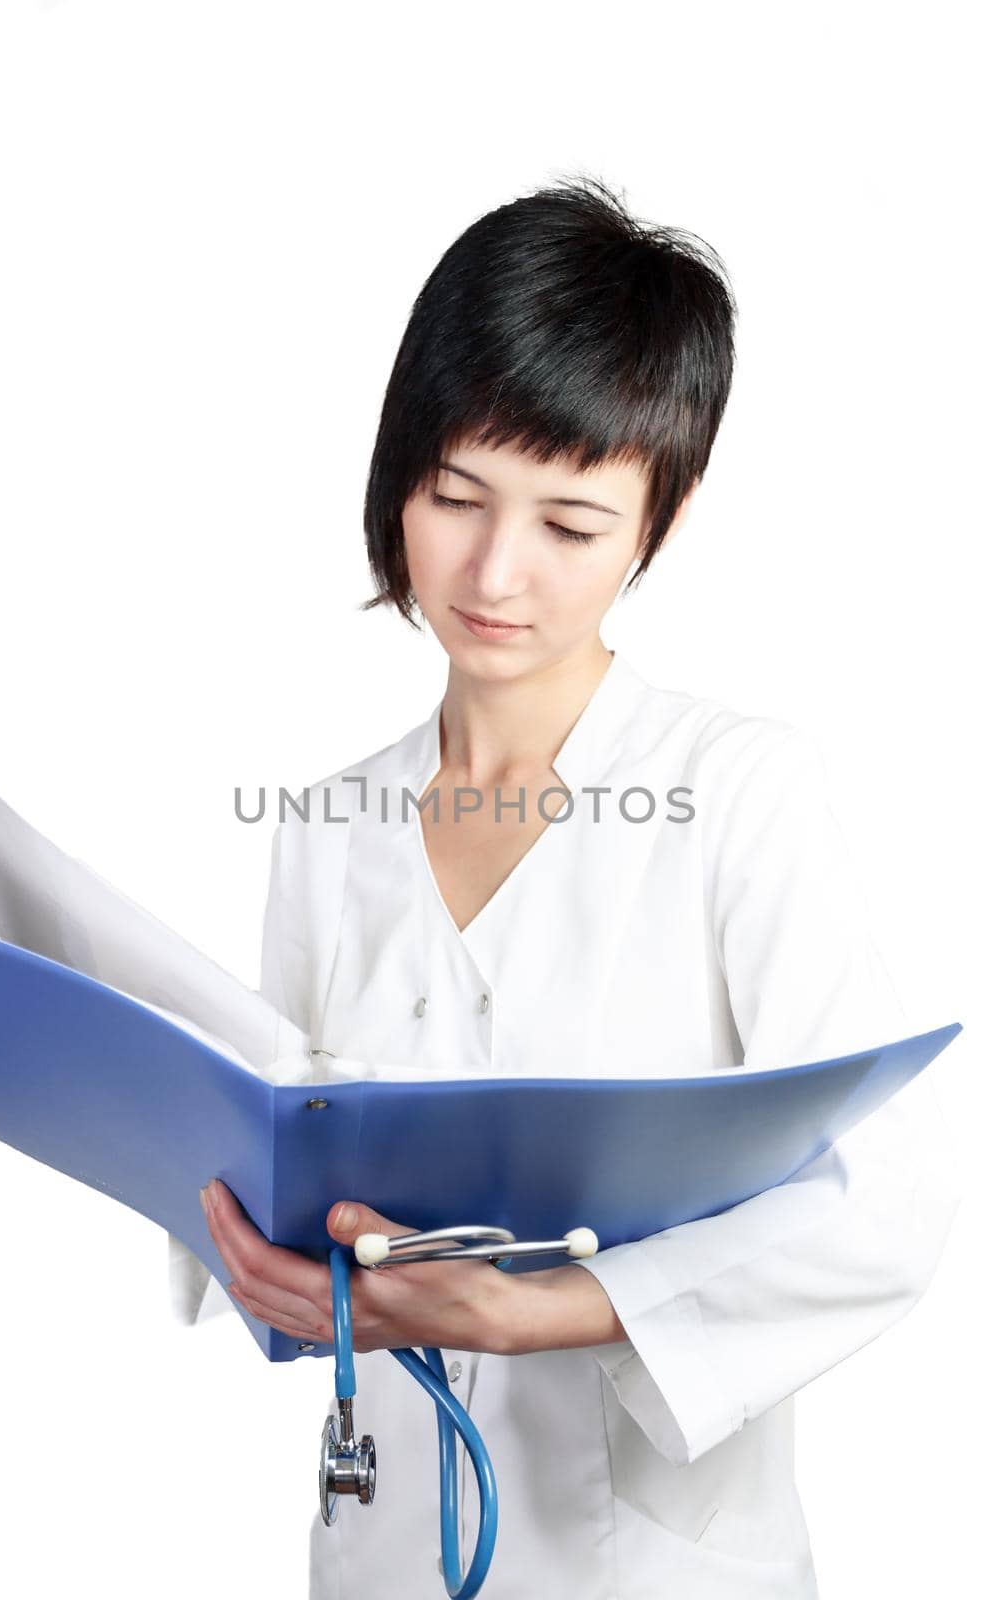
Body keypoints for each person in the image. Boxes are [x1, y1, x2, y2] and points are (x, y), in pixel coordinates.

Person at [176, 175, 961, 1598]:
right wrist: (243, 1242)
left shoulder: (740, 791)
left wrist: (549, 1311)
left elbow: (885, 1199)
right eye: (455, 496)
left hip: (653, 1564)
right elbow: (277, 1154)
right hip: (379, 1543)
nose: (494, 572)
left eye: (571, 526)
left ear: (662, 512)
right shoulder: (328, 824)